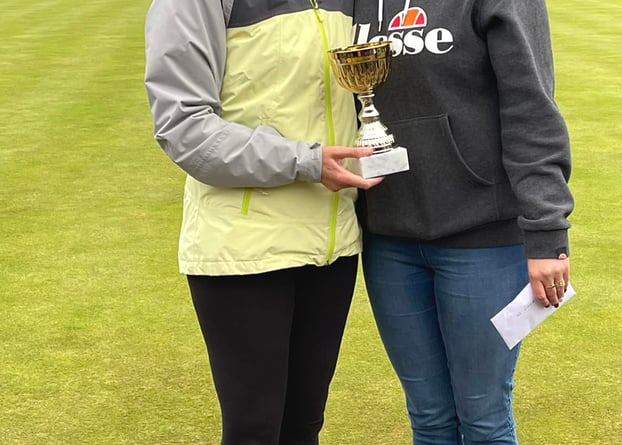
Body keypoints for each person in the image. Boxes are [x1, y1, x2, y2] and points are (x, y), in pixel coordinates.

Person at [144, 1, 382, 444]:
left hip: (332, 245)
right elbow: (183, 126)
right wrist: (305, 161)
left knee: (303, 427)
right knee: (254, 430)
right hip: (243, 249)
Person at [352, 1, 574, 444]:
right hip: (388, 240)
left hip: (484, 238)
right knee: (429, 420)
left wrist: (547, 231)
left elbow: (530, 105)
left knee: (483, 419)